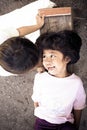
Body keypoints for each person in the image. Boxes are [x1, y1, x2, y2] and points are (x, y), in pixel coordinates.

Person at [32, 30, 86, 130]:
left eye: (52, 55)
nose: (47, 61)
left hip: (65, 124)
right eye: (44, 56)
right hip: (42, 123)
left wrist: (76, 126)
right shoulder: (40, 78)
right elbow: (36, 100)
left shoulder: (76, 83)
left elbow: (78, 107)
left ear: (67, 59)